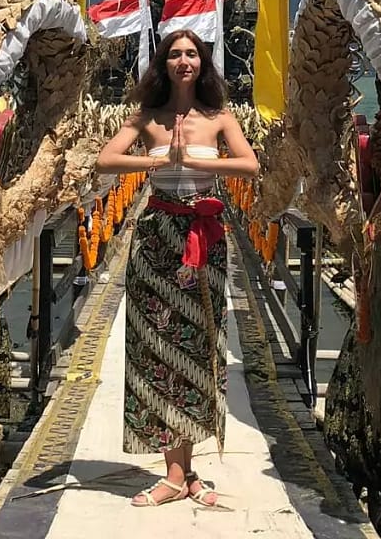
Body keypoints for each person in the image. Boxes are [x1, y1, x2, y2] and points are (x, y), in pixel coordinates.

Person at [95, 29, 259, 507]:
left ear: (202, 62)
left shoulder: (219, 117)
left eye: (191, 54)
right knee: (157, 348)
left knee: (202, 343)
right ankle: (175, 470)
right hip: (157, 240)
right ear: (163, 64)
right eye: (174, 54)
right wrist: (157, 157)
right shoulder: (148, 117)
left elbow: (249, 166)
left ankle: (184, 471)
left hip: (204, 240)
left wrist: (196, 161)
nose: (183, 61)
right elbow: (106, 160)